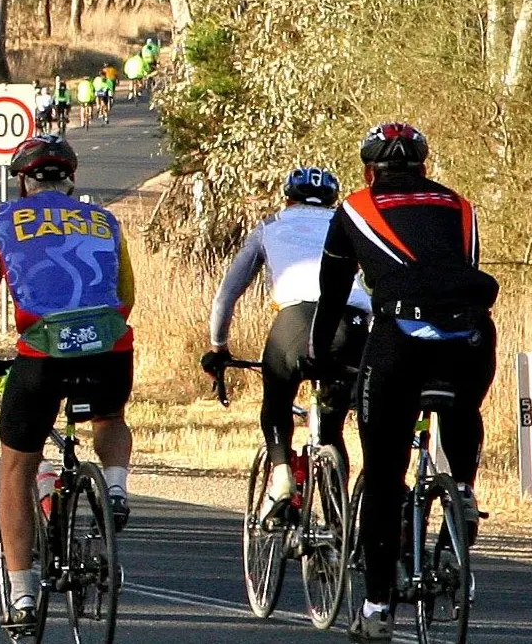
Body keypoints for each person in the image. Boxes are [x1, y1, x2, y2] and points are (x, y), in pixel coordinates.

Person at [309, 123, 498, 642]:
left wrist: (319, 356)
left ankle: (376, 609)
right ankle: (462, 490)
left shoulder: (355, 208)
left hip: (400, 339)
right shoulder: (461, 206)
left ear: (370, 171)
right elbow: (457, 272)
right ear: (424, 166)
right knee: (462, 405)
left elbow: (332, 293)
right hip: (472, 336)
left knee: (384, 477)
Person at [0, 135, 136, 628]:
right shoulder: (105, 219)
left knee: (16, 469)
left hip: (42, 351)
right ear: (72, 179)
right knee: (110, 416)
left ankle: (21, 596)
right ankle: (115, 487)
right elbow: (125, 293)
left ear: (23, 182)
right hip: (108, 346)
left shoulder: (2, 219)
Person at [201, 167, 371, 524]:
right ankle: (339, 524)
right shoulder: (350, 225)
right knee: (332, 426)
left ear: (288, 199)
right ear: (332, 201)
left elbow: (226, 295)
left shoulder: (270, 226)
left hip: (295, 320)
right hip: (352, 321)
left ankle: (280, 476)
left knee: (277, 402)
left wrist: (218, 347)